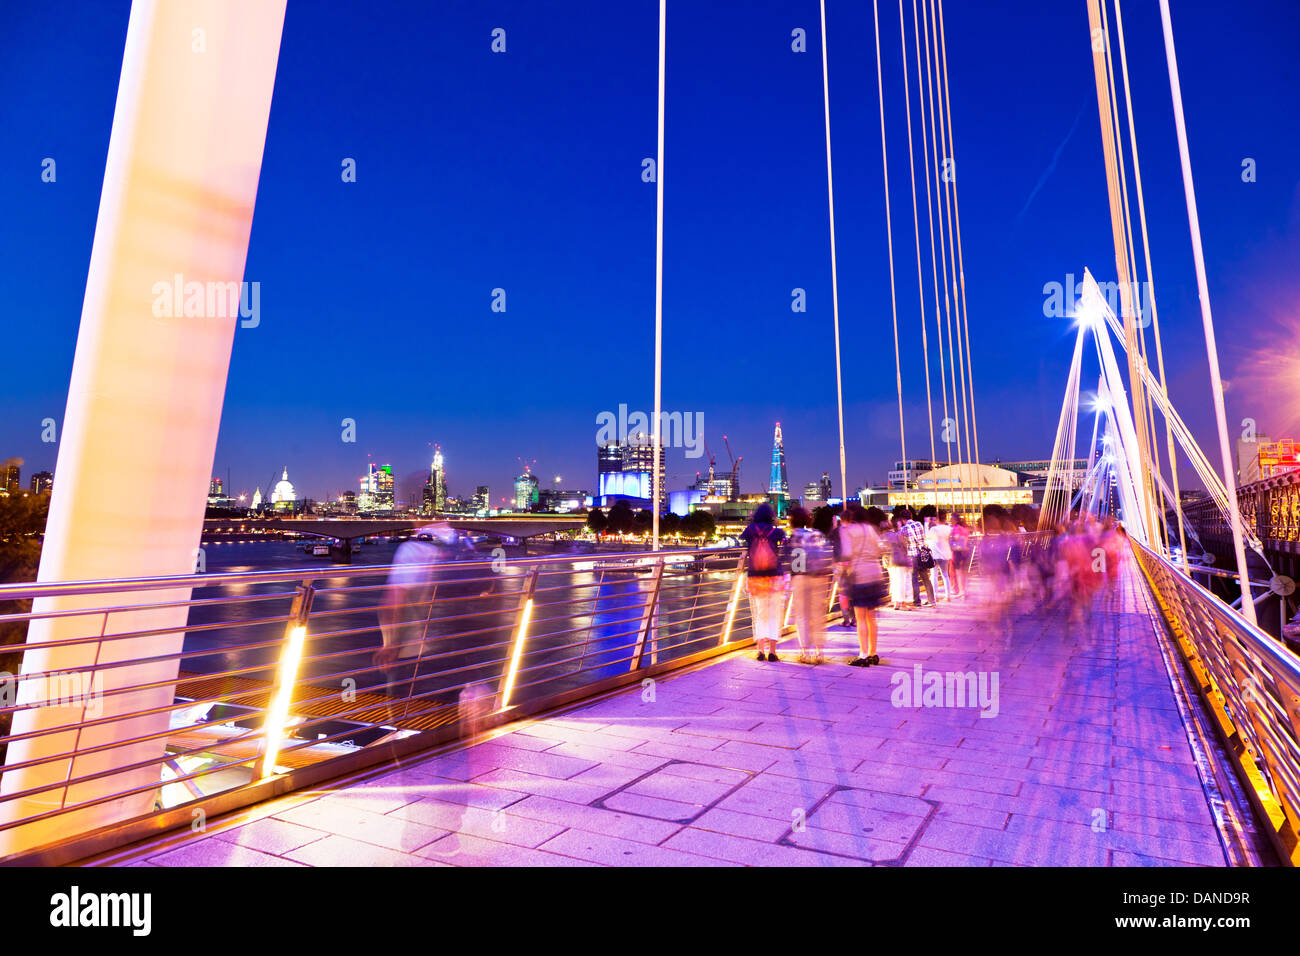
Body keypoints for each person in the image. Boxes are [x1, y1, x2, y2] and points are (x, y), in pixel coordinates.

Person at [840, 504, 886, 666]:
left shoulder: (850, 531)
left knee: (860, 618)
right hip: (875, 574)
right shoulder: (871, 529)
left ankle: (863, 655)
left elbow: (846, 554)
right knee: (871, 618)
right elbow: (881, 549)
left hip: (860, 576)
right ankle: (873, 653)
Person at [740, 502, 787, 661]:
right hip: (774, 577)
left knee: (760, 614)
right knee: (774, 614)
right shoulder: (776, 531)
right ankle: (773, 652)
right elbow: (785, 543)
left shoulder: (750, 530)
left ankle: (760, 650)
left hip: (756, 577)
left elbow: (743, 540)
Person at [787, 506, 832, 664]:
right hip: (819, 577)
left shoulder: (794, 536)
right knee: (818, 614)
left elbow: (789, 559)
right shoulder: (817, 534)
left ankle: (805, 652)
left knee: (802, 615)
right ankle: (820, 652)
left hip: (800, 577)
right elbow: (827, 555)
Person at [897, 506, 936, 608]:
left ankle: (917, 602)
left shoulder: (903, 529)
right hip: (922, 554)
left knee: (914, 579)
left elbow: (902, 543)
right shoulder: (919, 524)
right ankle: (932, 601)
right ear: (911, 516)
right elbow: (922, 538)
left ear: (902, 519)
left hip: (912, 555)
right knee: (926, 578)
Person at [829, 512, 855, 628]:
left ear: (841, 519)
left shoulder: (837, 531)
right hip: (853, 564)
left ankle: (846, 619)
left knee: (843, 593)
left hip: (840, 564)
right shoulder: (855, 530)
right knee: (854, 592)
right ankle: (855, 619)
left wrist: (834, 525)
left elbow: (830, 538)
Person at [881, 517, 912, 610]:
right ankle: (902, 603)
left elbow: (880, 550)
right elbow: (905, 546)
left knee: (893, 581)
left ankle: (895, 603)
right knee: (901, 582)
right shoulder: (897, 535)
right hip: (899, 561)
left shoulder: (881, 537)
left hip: (888, 562)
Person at [949, 514, 971, 598]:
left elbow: (956, 538)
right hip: (965, 551)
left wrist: (950, 538)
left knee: (958, 573)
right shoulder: (964, 529)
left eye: (951, 519)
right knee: (964, 572)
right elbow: (966, 539)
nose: (950, 520)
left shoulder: (956, 528)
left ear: (955, 520)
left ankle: (961, 591)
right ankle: (965, 590)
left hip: (958, 552)